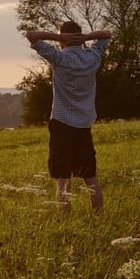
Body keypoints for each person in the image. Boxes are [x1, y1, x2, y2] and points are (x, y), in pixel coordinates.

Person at [25, 21, 112, 214]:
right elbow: (107, 34)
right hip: (84, 124)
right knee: (90, 175)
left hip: (62, 123)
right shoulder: (92, 57)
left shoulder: (59, 58)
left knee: (62, 178)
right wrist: (86, 37)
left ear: (63, 38)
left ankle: (64, 219)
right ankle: (99, 216)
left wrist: (58, 37)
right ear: (79, 37)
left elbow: (31, 35)